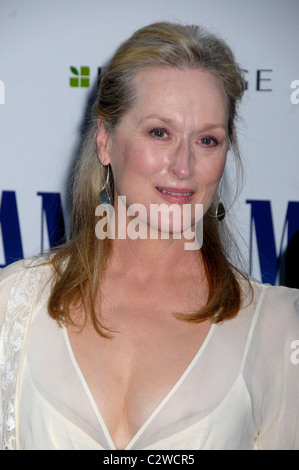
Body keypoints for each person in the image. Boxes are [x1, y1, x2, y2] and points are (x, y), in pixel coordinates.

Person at [1, 22, 299, 451]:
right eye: (160, 132)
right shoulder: (13, 305)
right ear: (105, 140)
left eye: (208, 140)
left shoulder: (278, 329)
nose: (184, 165)